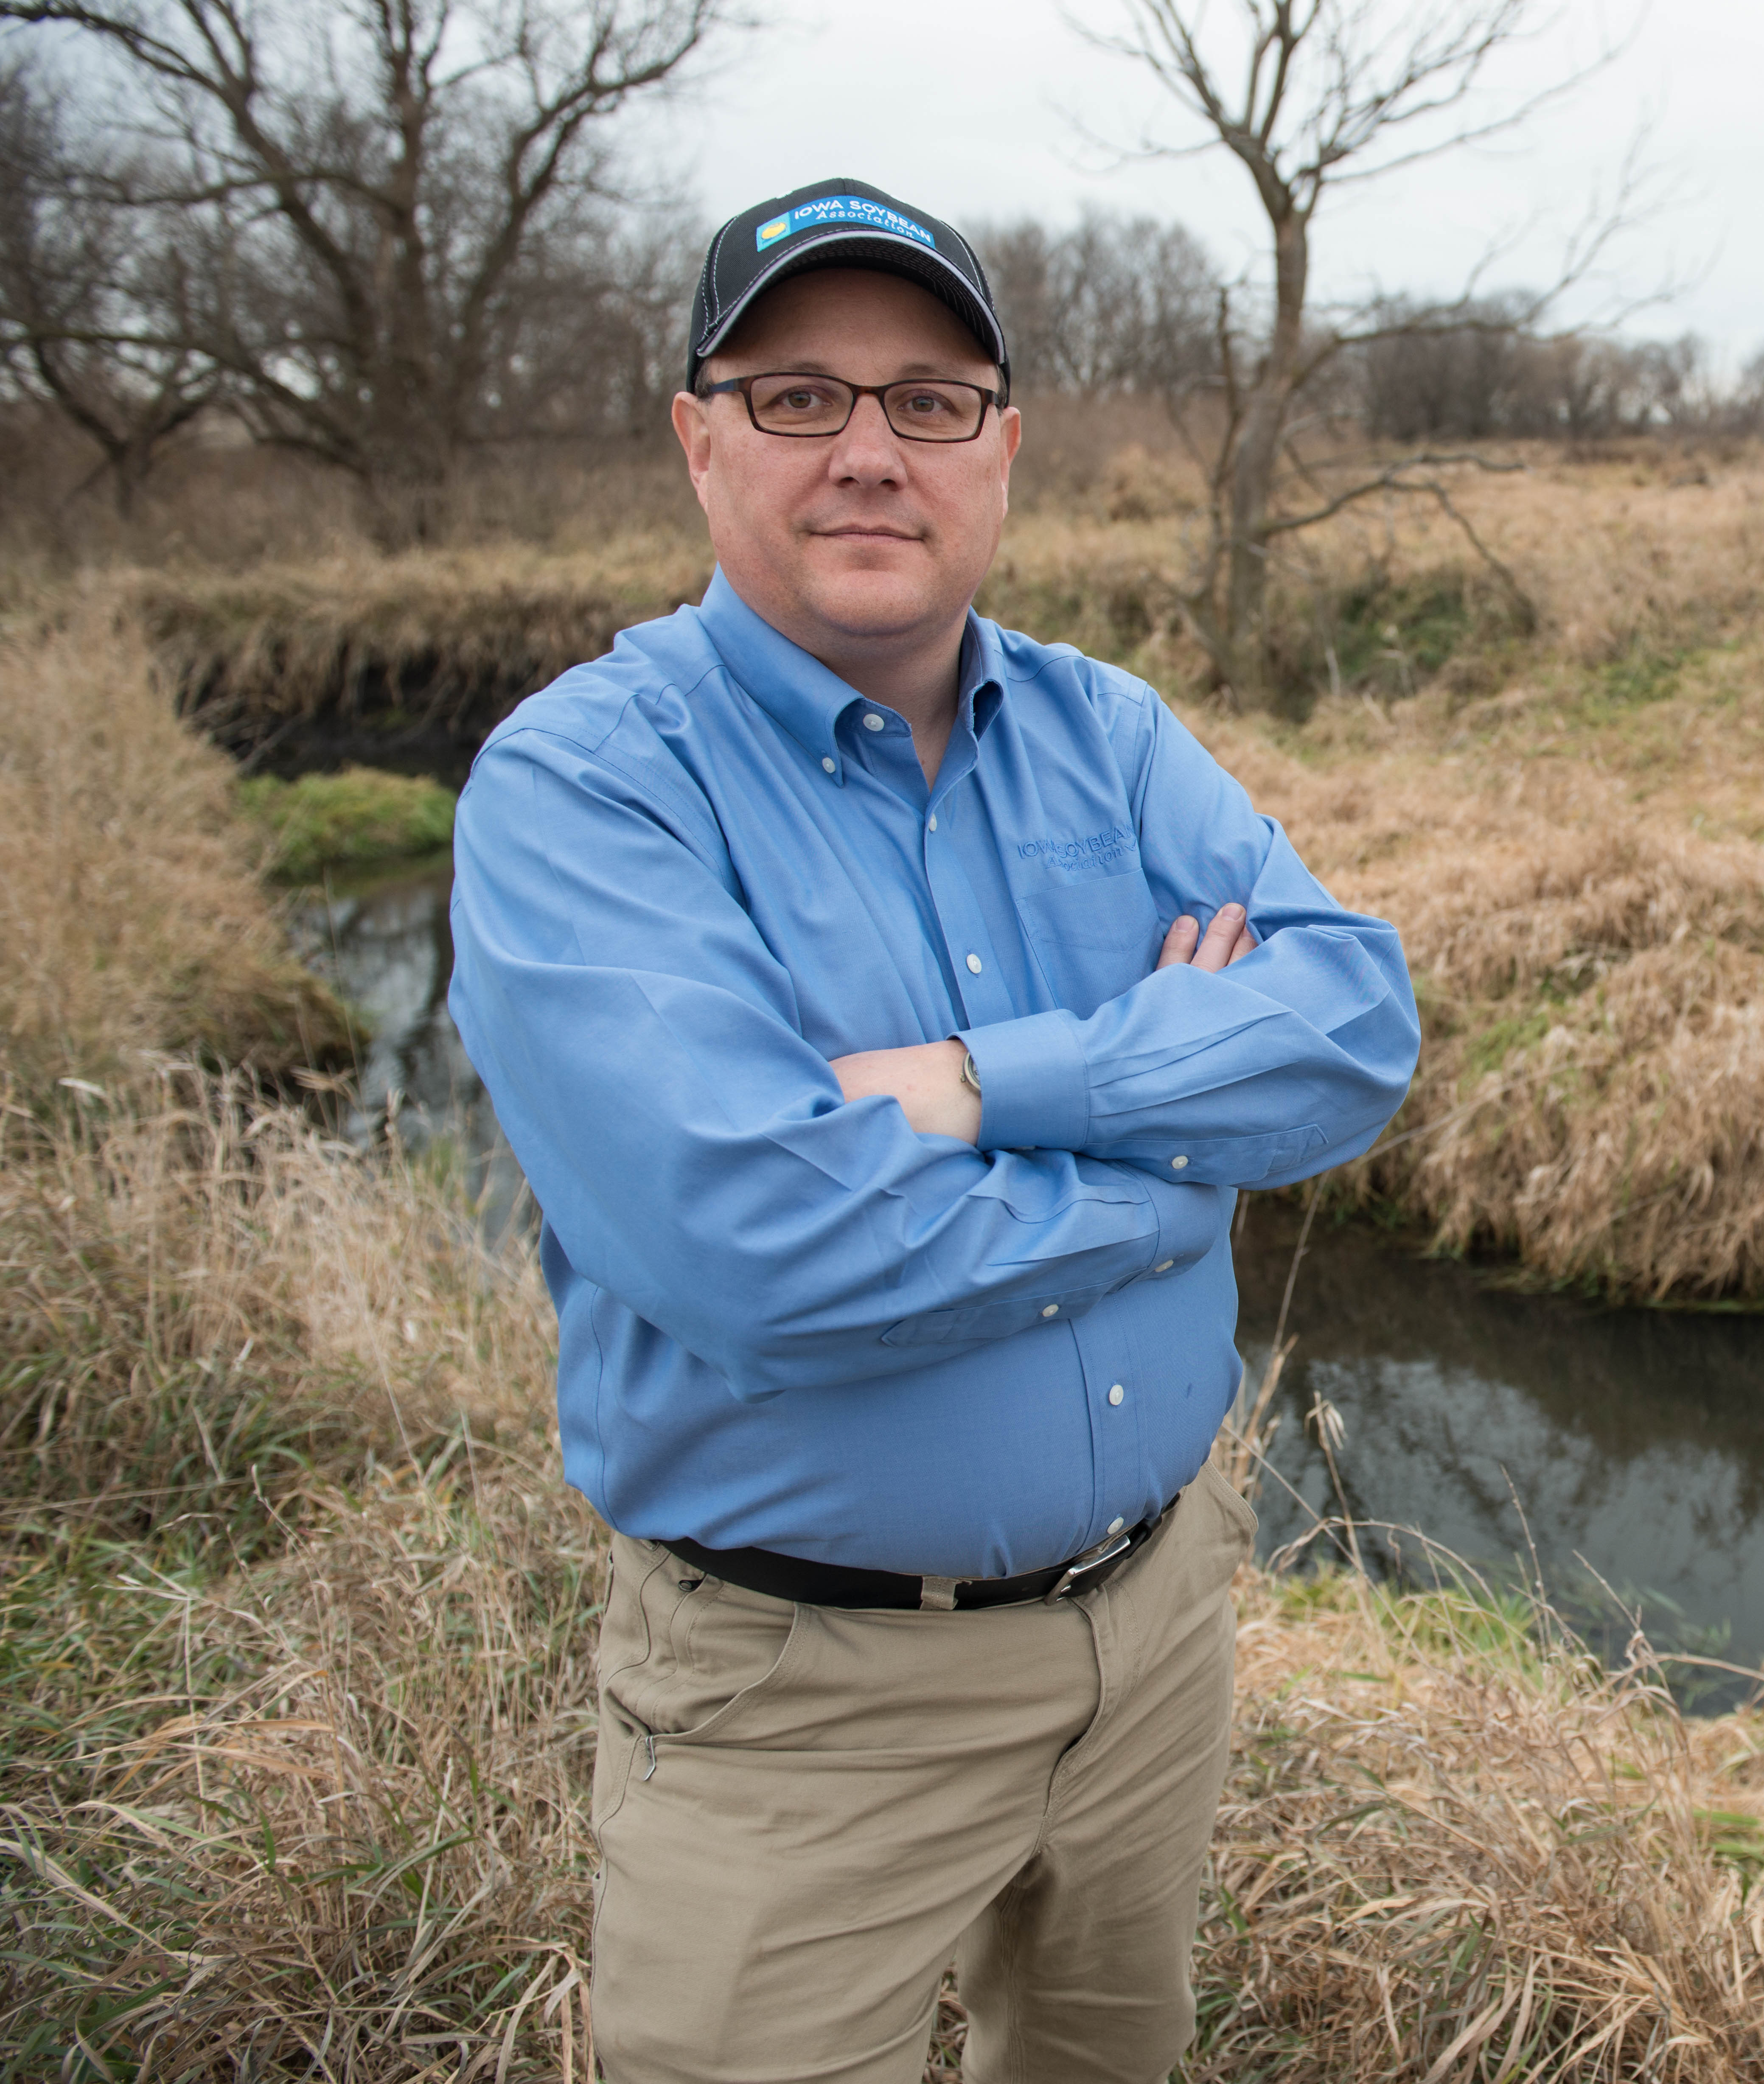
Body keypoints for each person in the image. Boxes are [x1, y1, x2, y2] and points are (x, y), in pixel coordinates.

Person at [447, 176, 1419, 2084]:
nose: (871, 452)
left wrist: (980, 1087)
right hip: (803, 1703)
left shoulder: (1107, 731)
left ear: (1003, 445)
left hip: (1152, 1637)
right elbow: (765, 1255)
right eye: (800, 396)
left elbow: (1353, 1028)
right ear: (699, 437)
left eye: (929, 398)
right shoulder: (584, 787)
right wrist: (1175, 1148)